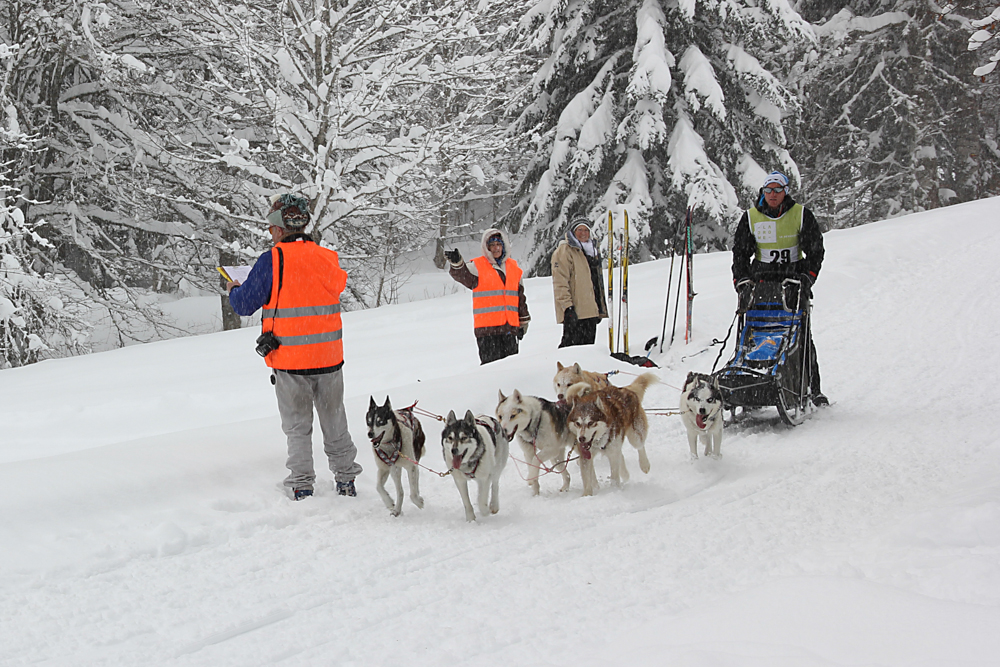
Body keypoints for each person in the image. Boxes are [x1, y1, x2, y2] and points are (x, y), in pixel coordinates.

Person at [226, 193, 362, 500]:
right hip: (329, 357)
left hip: (290, 360)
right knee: (335, 420)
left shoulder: (272, 260)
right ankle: (346, 480)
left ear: (278, 228)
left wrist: (234, 288)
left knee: (298, 427)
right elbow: (333, 286)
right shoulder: (327, 258)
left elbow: (245, 305)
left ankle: (302, 485)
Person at [731, 171, 828, 406]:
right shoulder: (751, 217)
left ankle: (813, 389)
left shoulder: (801, 215)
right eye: (768, 190)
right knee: (754, 333)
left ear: (785, 191)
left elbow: (815, 250)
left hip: (792, 283)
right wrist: (741, 281)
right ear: (763, 192)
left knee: (800, 336)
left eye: (777, 190)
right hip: (761, 283)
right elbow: (740, 253)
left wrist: (806, 278)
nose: (772, 195)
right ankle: (745, 384)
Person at [445, 228, 530, 364]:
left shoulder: (513, 267)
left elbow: (520, 297)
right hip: (487, 332)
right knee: (491, 373)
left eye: (499, 244)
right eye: (492, 245)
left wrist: (523, 321)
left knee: (512, 370)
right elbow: (463, 275)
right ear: (487, 248)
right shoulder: (478, 266)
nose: (496, 248)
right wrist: (457, 263)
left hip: (509, 330)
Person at [551, 217, 607, 347]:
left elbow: (595, 283)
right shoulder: (565, 250)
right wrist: (567, 307)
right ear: (573, 232)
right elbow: (560, 282)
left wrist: (597, 308)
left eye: (586, 230)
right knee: (570, 351)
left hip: (590, 312)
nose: (583, 233)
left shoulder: (592, 251)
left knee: (587, 352)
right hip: (575, 312)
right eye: (580, 230)